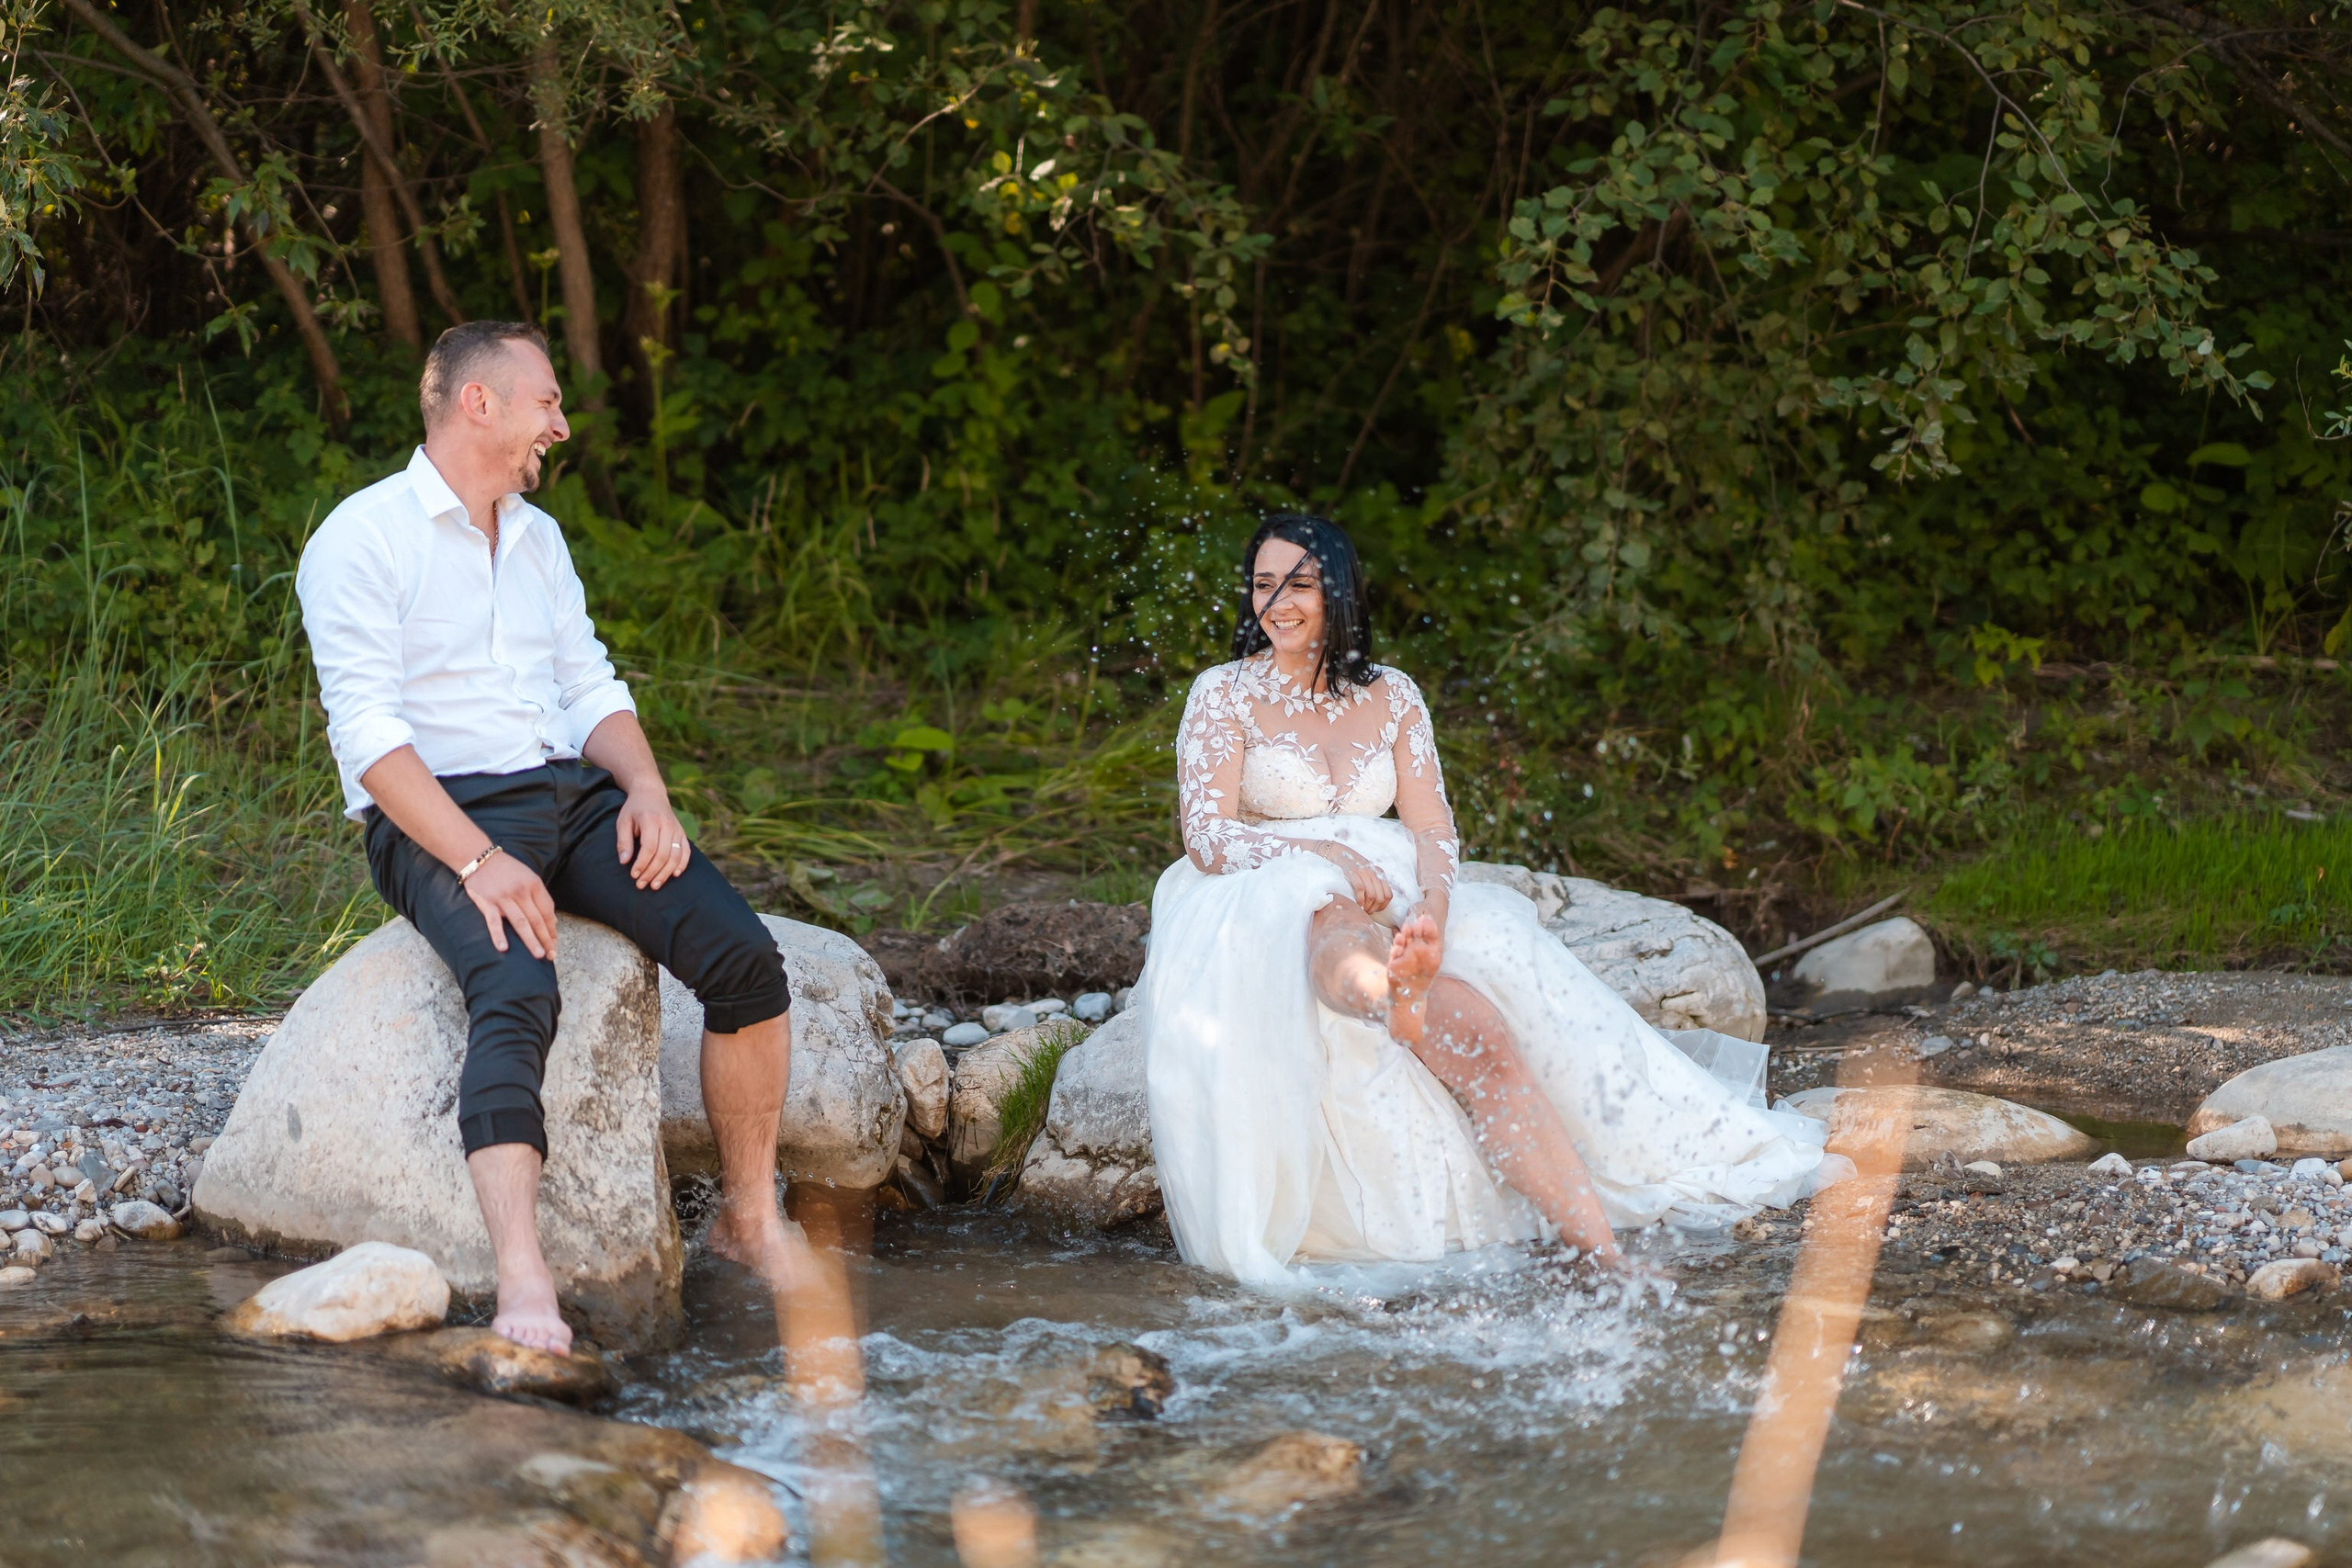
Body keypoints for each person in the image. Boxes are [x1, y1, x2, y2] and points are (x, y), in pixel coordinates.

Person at [1140, 513, 1840, 1290]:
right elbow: (1206, 834)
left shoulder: (1393, 693)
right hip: (1262, 877)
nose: (1277, 603)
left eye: (1298, 583)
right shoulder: (1224, 693)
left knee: (1485, 1033)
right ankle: (1384, 998)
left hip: (1390, 876)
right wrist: (1324, 854)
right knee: (1327, 912)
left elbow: (1432, 824)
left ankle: (1601, 1255)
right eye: (1264, 584)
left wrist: (1433, 902)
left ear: (1337, 592)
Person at [297, 321, 808, 1352]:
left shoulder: (538, 536)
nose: (561, 427)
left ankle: (750, 1220)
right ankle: (524, 1280)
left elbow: (587, 684)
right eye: (548, 402)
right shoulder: (362, 538)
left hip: (569, 798)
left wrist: (646, 788)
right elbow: (371, 742)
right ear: (478, 404)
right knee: (520, 989)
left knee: (744, 959)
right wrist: (478, 863)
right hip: (439, 816)